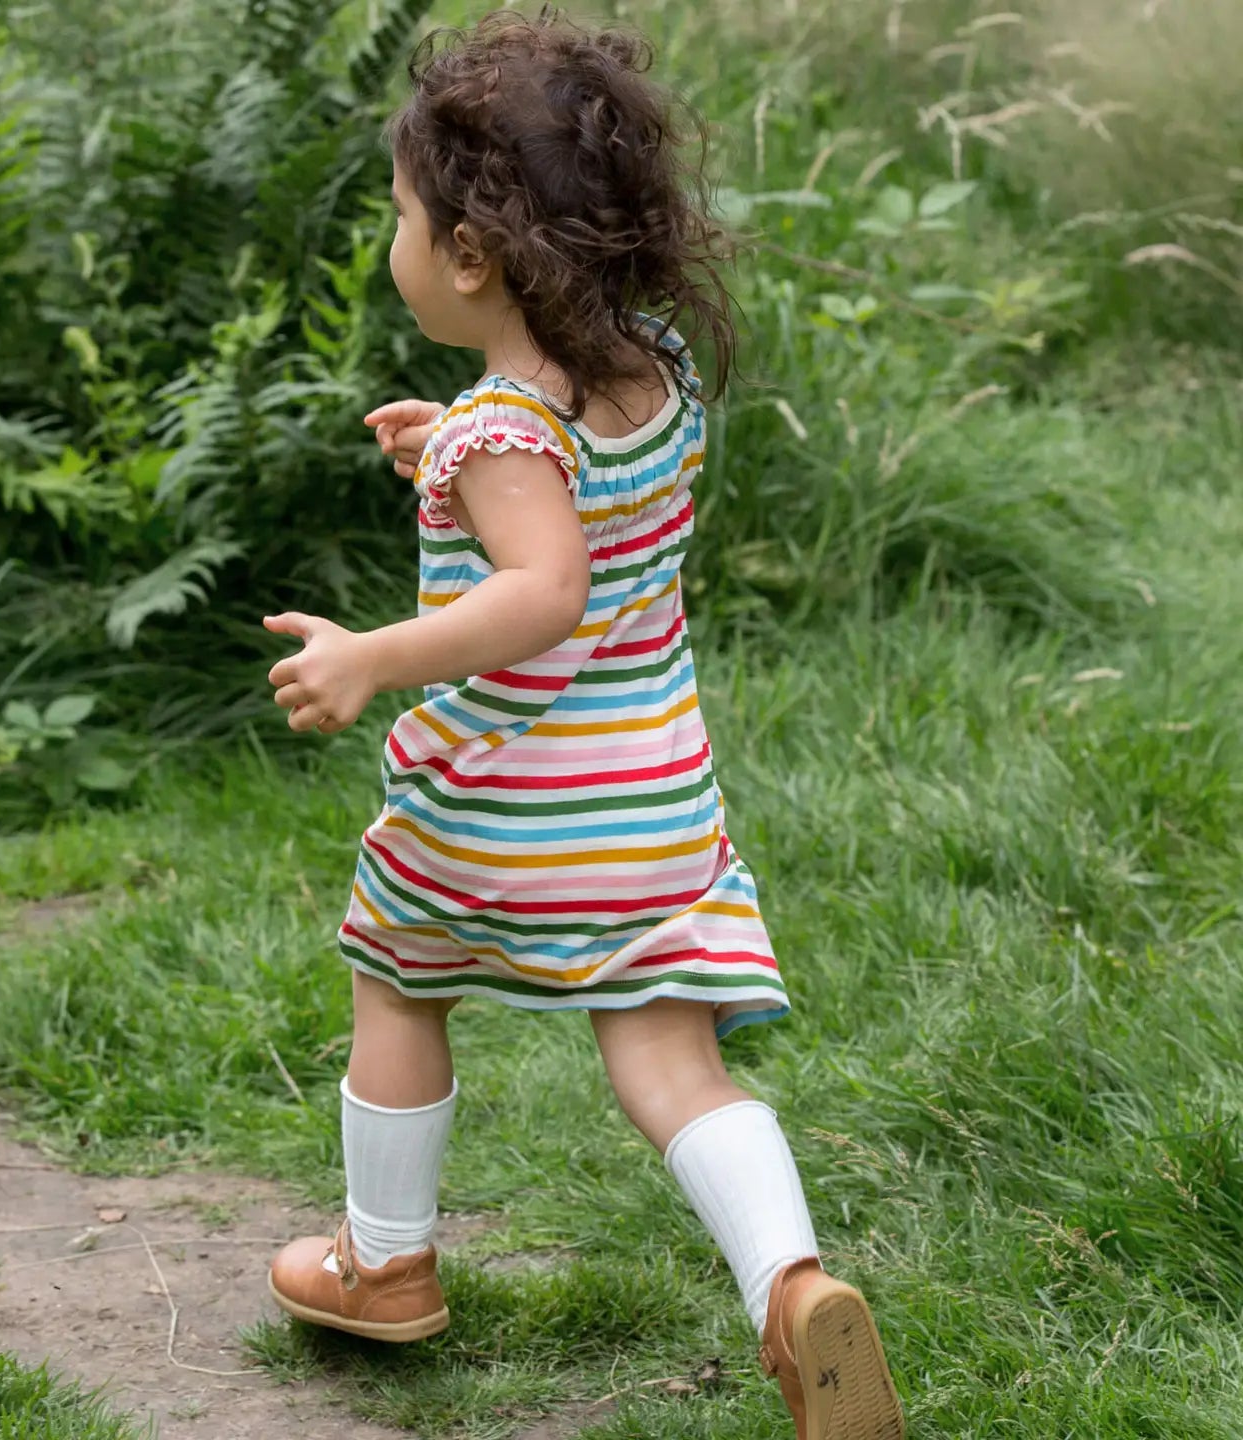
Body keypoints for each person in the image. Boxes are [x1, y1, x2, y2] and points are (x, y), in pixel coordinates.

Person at [262, 10, 904, 1437]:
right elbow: (570, 487)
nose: (396, 240)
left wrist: (377, 652)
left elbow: (546, 587)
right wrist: (465, 446)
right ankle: (794, 1292)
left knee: (396, 982)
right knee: (674, 1064)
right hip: (654, 803)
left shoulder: (509, 433)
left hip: (497, 808)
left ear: (475, 257)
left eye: (400, 217)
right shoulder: (646, 367)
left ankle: (384, 1263)